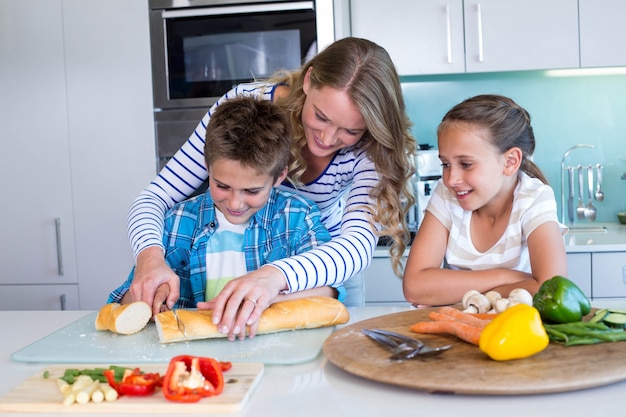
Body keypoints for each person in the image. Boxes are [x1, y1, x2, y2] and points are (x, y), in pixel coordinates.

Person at [125, 37, 417, 338]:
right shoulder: (250, 106)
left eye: (350, 130)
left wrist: (274, 276)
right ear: (308, 81)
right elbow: (156, 196)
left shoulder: (371, 150)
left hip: (325, 270)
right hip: (245, 263)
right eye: (320, 116)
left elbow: (355, 246)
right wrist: (149, 257)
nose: (328, 139)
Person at [109, 96, 342, 335]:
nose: (235, 203)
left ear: (280, 176)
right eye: (222, 186)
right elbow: (122, 303)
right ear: (207, 168)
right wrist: (148, 297)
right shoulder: (178, 222)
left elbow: (330, 291)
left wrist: (266, 299)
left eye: (252, 191)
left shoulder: (297, 217)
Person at [403, 94, 568, 307]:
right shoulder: (446, 195)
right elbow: (415, 287)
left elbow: (551, 289)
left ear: (510, 161)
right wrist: (507, 277)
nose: (451, 179)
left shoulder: (533, 198)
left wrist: (456, 294)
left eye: (466, 164)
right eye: (445, 164)